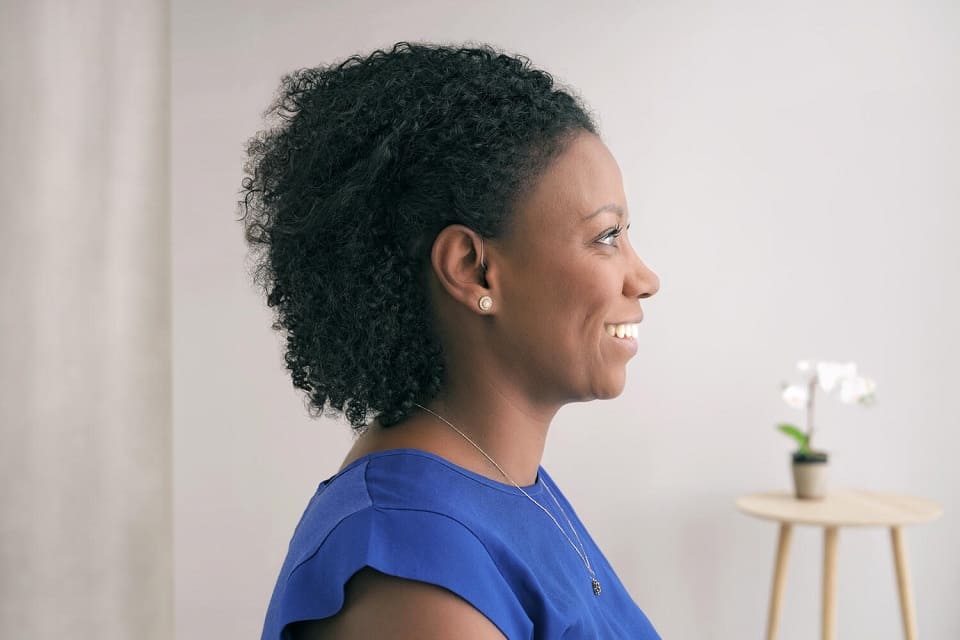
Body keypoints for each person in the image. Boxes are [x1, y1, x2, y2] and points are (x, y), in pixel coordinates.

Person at [240, 41, 662, 640]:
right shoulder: (416, 575)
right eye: (606, 236)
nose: (644, 278)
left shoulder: (500, 484)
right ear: (473, 269)